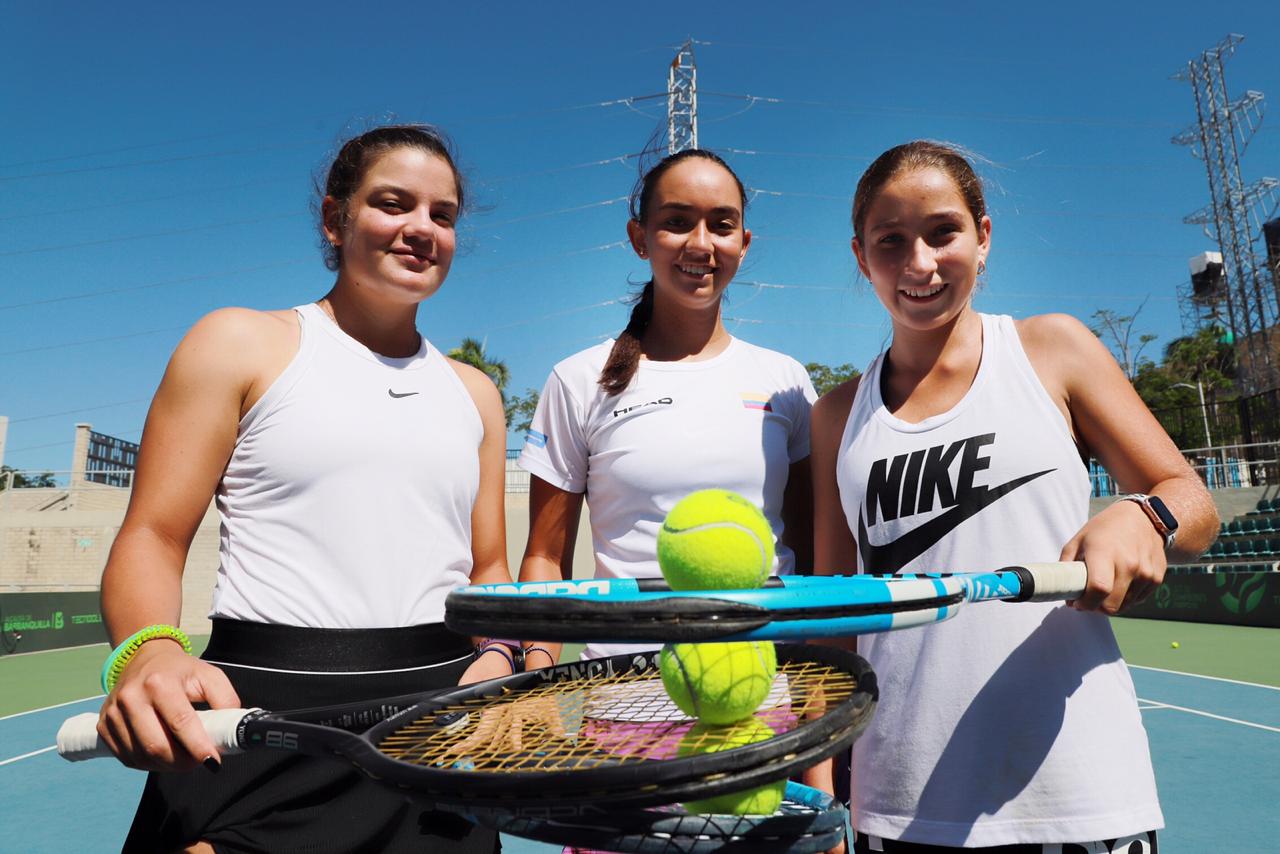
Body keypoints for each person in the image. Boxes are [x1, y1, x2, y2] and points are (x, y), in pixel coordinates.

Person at [94, 124, 515, 853]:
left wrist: (505, 657)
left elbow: (488, 573)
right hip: (256, 733)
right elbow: (153, 536)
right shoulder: (237, 343)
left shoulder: (475, 394)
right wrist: (151, 653)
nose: (421, 228)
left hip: (438, 742)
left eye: (441, 215)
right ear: (335, 218)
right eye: (393, 203)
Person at [807, 140, 1218, 853]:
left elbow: (1192, 499)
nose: (921, 264)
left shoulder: (1050, 349)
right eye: (890, 242)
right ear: (859, 256)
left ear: (984, 237)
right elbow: (832, 616)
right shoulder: (838, 415)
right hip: (898, 802)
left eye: (943, 232)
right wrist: (819, 795)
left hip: (1081, 795)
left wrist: (1142, 517)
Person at [517, 149, 817, 661]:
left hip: (770, 691)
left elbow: (812, 555)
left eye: (721, 225)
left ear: (743, 244)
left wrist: (814, 686)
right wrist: (537, 668)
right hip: (623, 703)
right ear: (640, 239)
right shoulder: (577, 380)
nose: (700, 244)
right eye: (677, 222)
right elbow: (546, 557)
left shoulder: (785, 381)